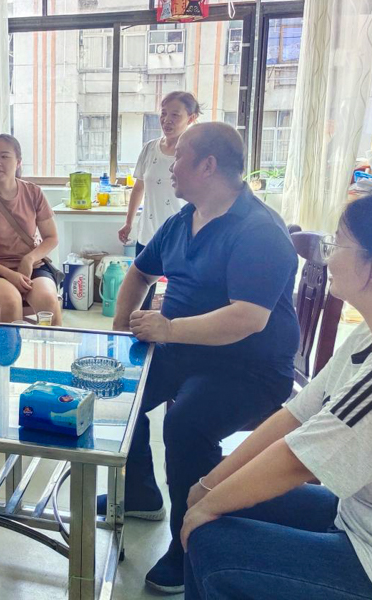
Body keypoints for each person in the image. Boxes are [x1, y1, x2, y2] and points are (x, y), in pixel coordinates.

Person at [183, 187, 372, 600]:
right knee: (215, 506)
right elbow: (296, 416)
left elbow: (298, 460)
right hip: (363, 519)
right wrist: (208, 485)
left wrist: (205, 508)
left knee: (211, 541)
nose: (327, 256)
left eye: (338, 243)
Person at [109, 122, 299, 593]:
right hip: (181, 350)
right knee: (118, 390)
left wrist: (169, 328)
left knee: (186, 422)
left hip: (249, 367)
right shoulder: (183, 219)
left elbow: (248, 319)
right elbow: (138, 274)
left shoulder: (259, 230)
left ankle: (189, 542)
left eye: (180, 157)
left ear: (208, 166)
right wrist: (120, 330)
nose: (171, 165)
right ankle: (141, 493)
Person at [0, 134, 62, 324]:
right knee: (10, 302)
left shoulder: (33, 192)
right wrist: (9, 274)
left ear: (18, 162)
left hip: (31, 267)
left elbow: (51, 237)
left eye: (4, 156)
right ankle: (7, 345)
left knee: (48, 300)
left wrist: (29, 259)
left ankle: (50, 344)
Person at [118, 91, 199, 308]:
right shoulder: (149, 149)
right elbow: (139, 187)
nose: (167, 120)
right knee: (141, 292)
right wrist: (128, 222)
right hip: (149, 232)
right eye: (163, 114)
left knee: (179, 296)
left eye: (175, 115)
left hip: (182, 235)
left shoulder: (194, 153)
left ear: (191, 118)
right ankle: (136, 329)